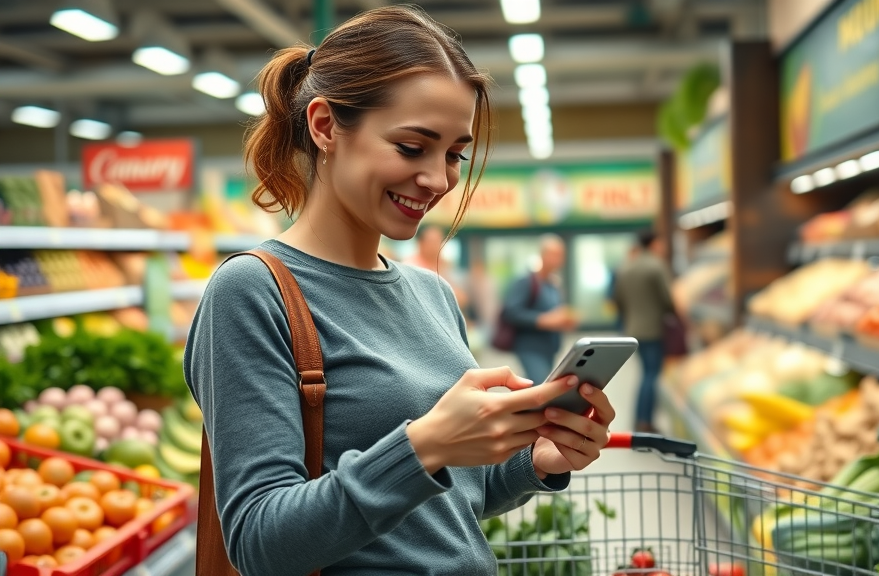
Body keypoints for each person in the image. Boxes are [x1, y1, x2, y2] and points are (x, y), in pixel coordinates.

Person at [183, 7, 615, 576]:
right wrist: (425, 445)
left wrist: (534, 462)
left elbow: (451, 506)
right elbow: (261, 543)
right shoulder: (252, 291)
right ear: (324, 126)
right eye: (413, 147)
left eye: (455, 154)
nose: (438, 179)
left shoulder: (430, 294)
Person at [613, 230, 677, 433]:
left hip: (633, 329)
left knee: (644, 374)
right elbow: (668, 300)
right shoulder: (656, 266)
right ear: (655, 243)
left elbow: (619, 300)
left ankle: (639, 420)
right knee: (651, 375)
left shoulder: (626, 267)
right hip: (653, 329)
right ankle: (645, 422)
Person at [501, 234, 579, 384]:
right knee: (541, 386)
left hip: (549, 348)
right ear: (542, 255)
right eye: (554, 254)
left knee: (535, 387)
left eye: (561, 255)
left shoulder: (553, 284)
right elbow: (511, 312)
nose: (558, 259)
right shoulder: (527, 281)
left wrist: (563, 321)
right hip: (530, 347)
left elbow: (554, 314)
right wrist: (542, 320)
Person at [403, 224, 468, 309]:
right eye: (432, 241)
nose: (436, 246)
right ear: (421, 243)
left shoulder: (444, 265)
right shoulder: (410, 265)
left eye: (439, 241)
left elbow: (462, 298)